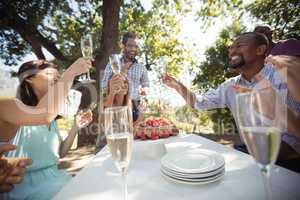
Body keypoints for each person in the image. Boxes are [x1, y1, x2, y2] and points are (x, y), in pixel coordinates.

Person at [163, 32, 300, 165]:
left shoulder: (284, 73)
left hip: (290, 161)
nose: (232, 51)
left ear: (260, 49)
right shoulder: (230, 86)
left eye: (239, 46)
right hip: (252, 155)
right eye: (231, 48)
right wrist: (177, 85)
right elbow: (198, 103)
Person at [0, 58, 93, 200]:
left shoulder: (53, 122)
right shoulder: (7, 106)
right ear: (28, 78)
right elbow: (44, 114)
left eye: (59, 77)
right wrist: (71, 72)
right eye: (50, 74)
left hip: (62, 183)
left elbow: (60, 153)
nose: (57, 79)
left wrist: (76, 127)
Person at [101, 31, 150, 120]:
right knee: (117, 132)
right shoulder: (114, 63)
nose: (133, 49)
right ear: (123, 46)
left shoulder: (141, 67)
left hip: (135, 107)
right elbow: (103, 86)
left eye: (136, 46)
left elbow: (146, 85)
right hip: (117, 106)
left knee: (136, 132)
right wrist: (122, 73)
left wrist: (145, 95)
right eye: (130, 46)